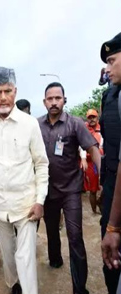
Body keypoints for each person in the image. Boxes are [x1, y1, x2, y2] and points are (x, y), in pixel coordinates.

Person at [0, 67, 49, 294]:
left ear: (15, 92)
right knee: (8, 255)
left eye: (7, 91)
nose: (3, 97)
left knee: (25, 256)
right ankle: (12, 286)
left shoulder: (29, 124)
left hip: (25, 205)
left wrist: (40, 200)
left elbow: (41, 164)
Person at [38, 82, 99, 294]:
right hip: (47, 191)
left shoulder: (75, 124)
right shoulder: (36, 126)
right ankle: (55, 261)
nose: (54, 102)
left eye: (58, 98)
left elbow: (92, 148)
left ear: (64, 100)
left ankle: (79, 288)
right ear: (44, 101)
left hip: (71, 190)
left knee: (75, 236)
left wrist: (103, 175)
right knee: (52, 231)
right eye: (50, 98)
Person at [99, 32, 121, 294]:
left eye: (112, 61)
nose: (106, 69)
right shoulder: (110, 96)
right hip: (112, 181)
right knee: (109, 257)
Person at [82, 109, 104, 214]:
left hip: (104, 160)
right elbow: (80, 146)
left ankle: (100, 202)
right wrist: (83, 159)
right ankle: (94, 212)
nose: (91, 119)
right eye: (89, 117)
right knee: (93, 189)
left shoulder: (103, 128)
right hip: (90, 163)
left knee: (107, 186)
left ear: (97, 117)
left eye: (93, 117)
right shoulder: (84, 130)